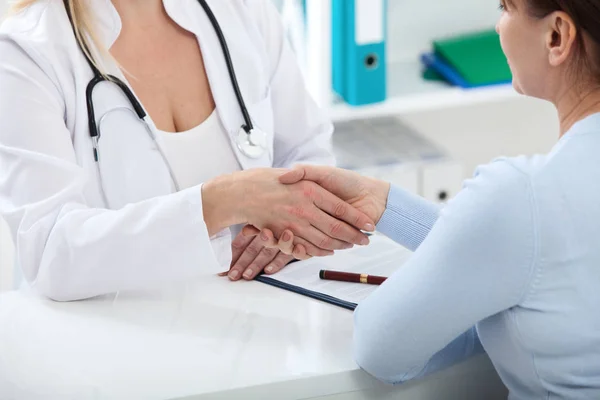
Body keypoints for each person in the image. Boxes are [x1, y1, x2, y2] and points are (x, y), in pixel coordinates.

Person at [255, 0, 600, 397]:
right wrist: (386, 206)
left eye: (505, 8)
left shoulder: (521, 194)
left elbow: (382, 347)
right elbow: (519, 253)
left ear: (557, 37)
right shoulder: (534, 204)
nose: (498, 27)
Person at [0, 0, 375, 302]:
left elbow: (306, 150)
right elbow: (50, 253)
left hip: (256, 323)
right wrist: (221, 202)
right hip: (108, 346)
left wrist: (291, 231)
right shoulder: (25, 51)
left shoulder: (244, 10)